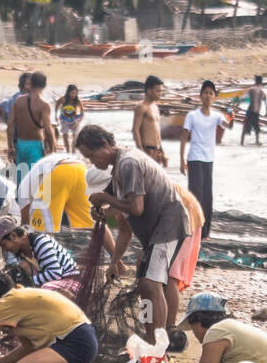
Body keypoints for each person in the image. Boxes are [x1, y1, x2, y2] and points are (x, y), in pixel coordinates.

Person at [77, 124, 189, 349]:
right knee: (145, 286)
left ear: (106, 145)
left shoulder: (128, 163)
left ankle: (158, 345)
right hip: (154, 232)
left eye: (91, 155)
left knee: (151, 284)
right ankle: (150, 338)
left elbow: (135, 208)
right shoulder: (119, 166)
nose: (92, 162)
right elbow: (119, 215)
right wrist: (100, 209)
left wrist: (102, 198)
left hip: (168, 225)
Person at [0, 214, 78, 287]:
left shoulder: (41, 242)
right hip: (58, 283)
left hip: (71, 282)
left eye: (3, 245)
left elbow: (55, 273)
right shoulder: (22, 252)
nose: (4, 250)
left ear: (13, 236)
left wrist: (27, 284)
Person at [179, 80, 219, 239]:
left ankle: (205, 232)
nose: (208, 96)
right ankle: (193, 228)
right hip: (195, 159)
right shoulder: (192, 115)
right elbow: (183, 137)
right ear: (201, 96)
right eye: (205, 93)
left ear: (214, 97)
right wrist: (182, 160)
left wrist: (231, 117)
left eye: (211, 93)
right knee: (196, 196)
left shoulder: (217, 116)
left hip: (209, 160)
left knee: (208, 197)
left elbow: (227, 125)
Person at [7, 71, 55, 185]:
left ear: (31, 83)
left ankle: (19, 202)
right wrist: (52, 148)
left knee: (20, 180)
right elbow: (48, 130)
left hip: (20, 144)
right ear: (44, 86)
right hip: (35, 146)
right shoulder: (43, 105)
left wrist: (10, 147)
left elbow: (10, 126)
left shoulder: (19, 101)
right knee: (36, 181)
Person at [132, 75, 166, 166]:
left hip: (157, 151)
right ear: (149, 91)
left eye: (161, 91)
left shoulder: (155, 107)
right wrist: (141, 152)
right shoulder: (141, 107)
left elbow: (157, 133)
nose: (160, 94)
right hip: (147, 150)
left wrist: (162, 152)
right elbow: (135, 130)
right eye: (157, 91)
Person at [57, 85, 85, 154]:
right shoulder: (63, 99)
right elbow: (57, 105)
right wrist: (57, 117)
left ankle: (73, 154)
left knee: (75, 139)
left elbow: (82, 113)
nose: (74, 95)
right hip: (64, 120)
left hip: (75, 120)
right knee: (65, 137)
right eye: (72, 93)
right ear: (68, 92)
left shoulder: (78, 101)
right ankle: (67, 152)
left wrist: (78, 123)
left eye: (75, 93)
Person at [242, 76, 267, 146]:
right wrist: (266, 113)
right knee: (256, 128)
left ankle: (242, 143)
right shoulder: (262, 92)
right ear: (261, 83)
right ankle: (257, 141)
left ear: (255, 81)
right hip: (256, 112)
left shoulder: (251, 89)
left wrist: (237, 103)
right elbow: (266, 103)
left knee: (245, 126)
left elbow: (244, 98)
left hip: (250, 111)